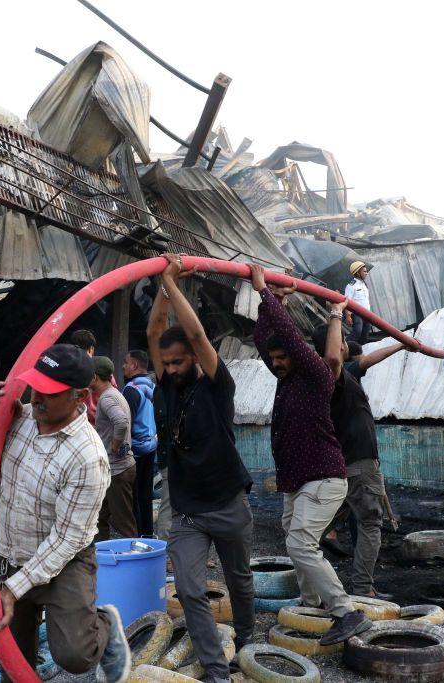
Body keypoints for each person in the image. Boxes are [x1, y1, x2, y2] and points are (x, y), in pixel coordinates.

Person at [0, 344, 130, 682]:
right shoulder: (19, 419)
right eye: (36, 387)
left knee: (76, 656)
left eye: (49, 393)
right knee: (12, 659)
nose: (36, 399)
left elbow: (66, 539)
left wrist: (13, 588)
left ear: (79, 396)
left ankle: (103, 624)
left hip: (64, 560)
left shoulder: (88, 456)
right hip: (11, 550)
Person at [249, 264, 373, 647]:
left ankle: (346, 611)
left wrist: (264, 292)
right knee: (296, 541)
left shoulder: (316, 376)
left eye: (284, 357)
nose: (278, 363)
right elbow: (264, 341)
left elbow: (290, 339)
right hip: (298, 479)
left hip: (323, 476)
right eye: (276, 359)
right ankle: (310, 606)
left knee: (300, 544)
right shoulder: (286, 380)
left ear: (300, 356)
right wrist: (269, 307)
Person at [147, 254, 255, 683]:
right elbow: (157, 330)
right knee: (190, 589)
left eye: (177, 362)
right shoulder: (168, 385)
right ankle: (215, 669)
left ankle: (246, 636)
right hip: (189, 510)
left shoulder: (216, 384)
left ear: (195, 356)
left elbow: (193, 331)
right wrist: (161, 286)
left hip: (228, 500)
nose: (170, 370)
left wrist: (173, 283)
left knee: (240, 579)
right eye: (166, 363)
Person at [312, 304, 409, 597]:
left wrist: (401, 345)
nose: (345, 344)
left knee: (316, 528)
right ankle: (363, 588)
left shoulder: (338, 375)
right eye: (341, 340)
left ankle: (310, 581)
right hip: (358, 464)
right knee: (369, 523)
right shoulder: (333, 373)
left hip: (345, 465)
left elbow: (367, 359)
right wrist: (336, 314)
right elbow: (348, 358)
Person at [92, 356, 138, 541]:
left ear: (94, 377)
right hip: (114, 469)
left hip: (118, 470)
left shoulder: (107, 398)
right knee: (99, 517)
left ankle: (135, 561)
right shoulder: (114, 393)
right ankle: (100, 559)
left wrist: (114, 445)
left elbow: (121, 422)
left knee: (123, 523)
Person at [122, 350, 158, 538]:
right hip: (151, 446)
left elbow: (126, 423)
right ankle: (148, 534)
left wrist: (122, 448)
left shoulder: (131, 389)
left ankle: (136, 537)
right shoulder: (151, 386)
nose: (123, 366)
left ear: (135, 365)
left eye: (126, 362)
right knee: (146, 493)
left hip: (136, 449)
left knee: (133, 496)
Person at [69, 329, 117, 424]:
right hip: (100, 424)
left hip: (76, 424)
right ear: (91, 349)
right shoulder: (104, 367)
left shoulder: (68, 370)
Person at [343, 260, 371, 345]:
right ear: (358, 273)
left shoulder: (364, 284)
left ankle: (358, 352)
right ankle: (343, 346)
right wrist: (348, 316)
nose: (366, 273)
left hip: (366, 313)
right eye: (364, 271)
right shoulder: (351, 286)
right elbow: (347, 301)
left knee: (364, 335)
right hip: (356, 313)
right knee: (357, 332)